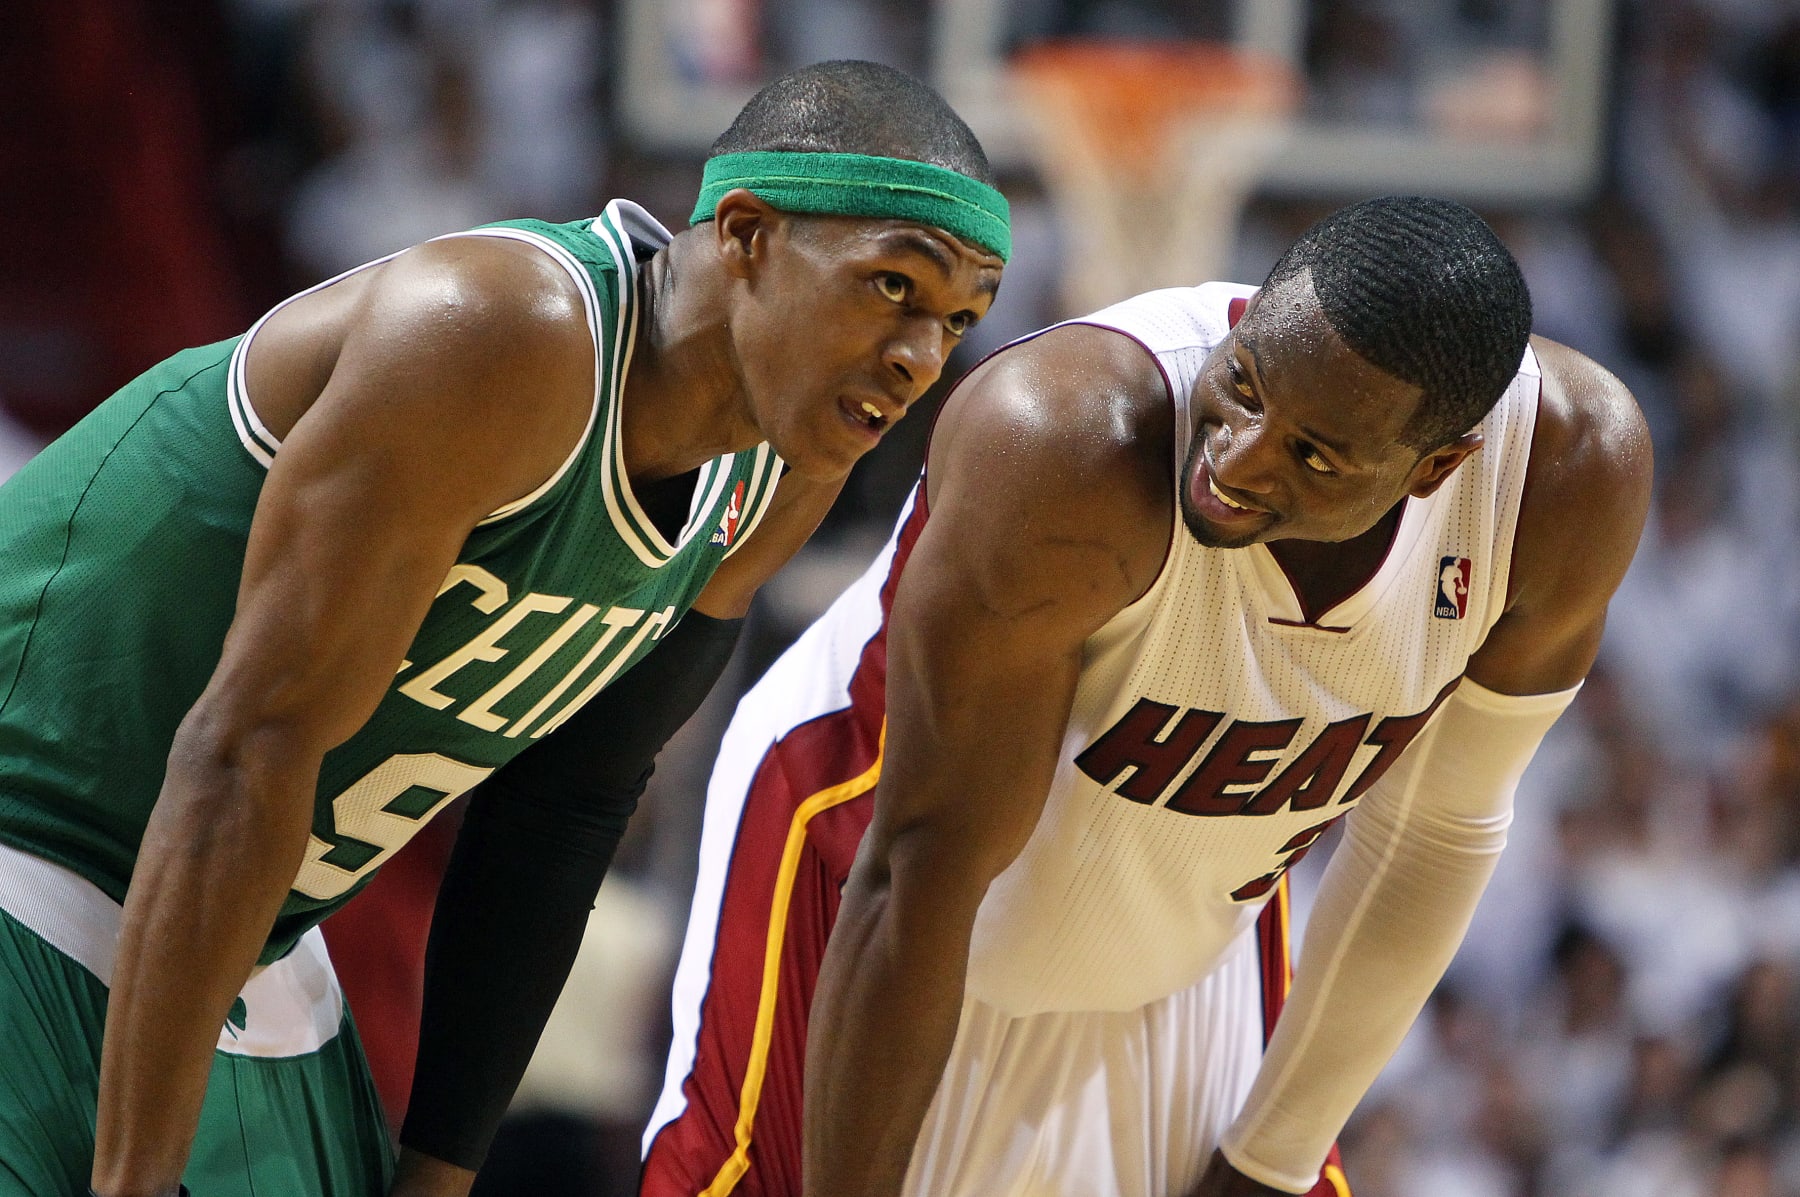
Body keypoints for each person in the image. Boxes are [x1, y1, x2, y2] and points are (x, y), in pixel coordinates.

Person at [0, 59, 1006, 1197]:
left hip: (236, 919)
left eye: (958, 320)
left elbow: (566, 807)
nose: (922, 356)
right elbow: (247, 749)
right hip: (37, 826)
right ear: (745, 235)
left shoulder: (782, 469)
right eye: (891, 287)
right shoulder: (501, 332)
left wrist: (440, 1175)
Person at [642, 196, 1652, 1197]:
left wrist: (1271, 1162)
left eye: (1312, 456)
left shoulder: (1564, 480)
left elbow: (1435, 832)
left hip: (1184, 947)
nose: (1236, 459)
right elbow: (918, 868)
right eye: (1245, 385)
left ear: (1439, 467)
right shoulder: (1065, 444)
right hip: (873, 881)